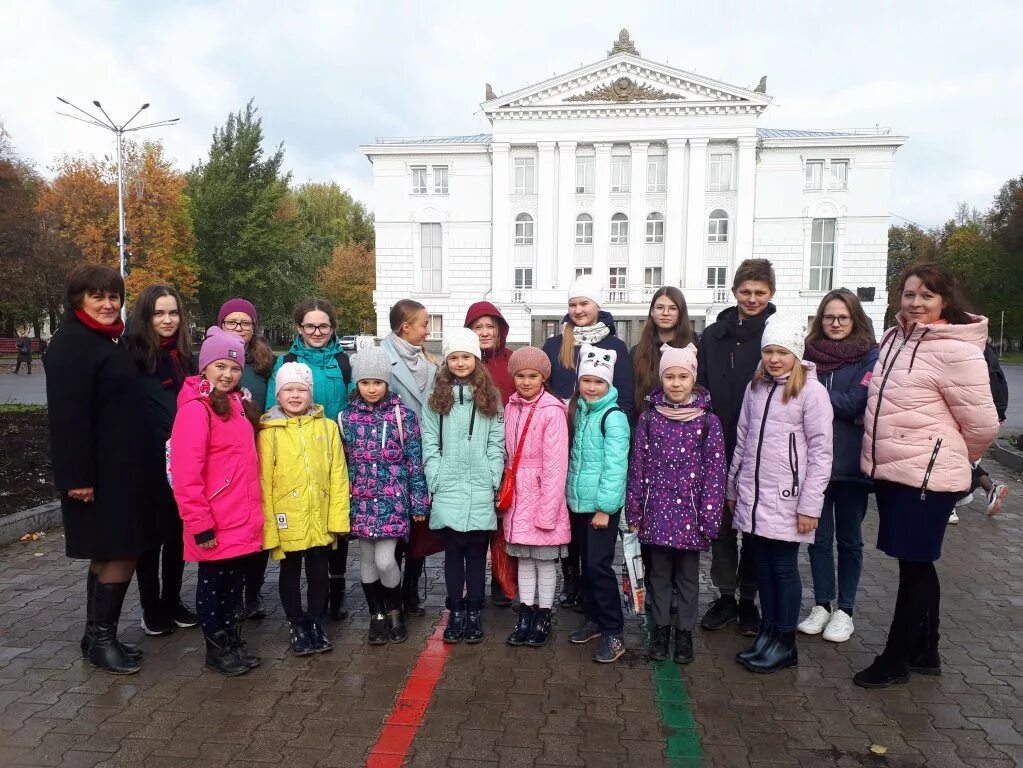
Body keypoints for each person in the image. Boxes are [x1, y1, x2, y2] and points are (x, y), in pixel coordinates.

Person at [854, 264, 999, 688]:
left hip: (927, 476)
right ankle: (927, 649)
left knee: (915, 565)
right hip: (894, 470)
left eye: (927, 296)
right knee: (915, 562)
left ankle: (896, 658)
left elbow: (984, 424)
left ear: (945, 302)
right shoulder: (895, 337)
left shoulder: (958, 350)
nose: (915, 303)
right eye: (909, 294)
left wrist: (953, 458)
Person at [44, 265, 154, 675]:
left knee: (110, 550)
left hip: (122, 470)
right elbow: (68, 417)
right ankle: (103, 639)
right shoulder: (73, 343)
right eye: (98, 296)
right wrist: (77, 478)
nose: (108, 304)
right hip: (99, 474)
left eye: (114, 296)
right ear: (79, 300)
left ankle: (94, 636)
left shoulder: (107, 339)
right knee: (120, 550)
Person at [728, 315, 833, 673]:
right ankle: (769, 632)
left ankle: (785, 641)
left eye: (782, 352)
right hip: (755, 498)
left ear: (796, 354)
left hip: (789, 499)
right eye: (769, 351)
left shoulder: (811, 392)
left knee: (784, 568)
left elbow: (821, 454)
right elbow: (743, 441)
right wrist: (733, 488)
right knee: (763, 568)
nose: (774, 359)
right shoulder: (755, 387)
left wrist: (810, 505)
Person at [169, 327, 264, 676]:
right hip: (214, 519)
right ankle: (216, 648)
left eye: (235, 368)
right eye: (220, 366)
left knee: (232, 584)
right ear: (205, 367)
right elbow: (186, 473)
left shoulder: (239, 404)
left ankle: (231, 640)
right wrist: (198, 522)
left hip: (240, 516)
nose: (227, 374)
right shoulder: (197, 410)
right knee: (212, 585)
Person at [627, 344, 726, 664]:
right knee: (658, 576)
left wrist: (710, 517)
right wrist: (635, 509)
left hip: (691, 516)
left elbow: (715, 473)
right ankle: (661, 631)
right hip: (656, 512)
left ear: (693, 379)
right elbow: (638, 466)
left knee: (686, 578)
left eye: (683, 376)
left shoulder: (708, 422)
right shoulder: (649, 419)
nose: (676, 383)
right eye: (669, 376)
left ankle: (684, 633)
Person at [542, 274, 634, 612]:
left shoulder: (615, 347)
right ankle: (571, 580)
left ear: (598, 305)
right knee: (568, 517)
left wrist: (604, 427)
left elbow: (623, 395)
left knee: (590, 520)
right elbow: (545, 390)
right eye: (573, 304)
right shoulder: (555, 345)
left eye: (585, 303)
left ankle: (594, 593)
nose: (579, 310)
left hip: (595, 440)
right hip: (561, 440)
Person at [697, 258, 778, 636]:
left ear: (770, 294)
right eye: (745, 292)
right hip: (719, 444)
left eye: (760, 292)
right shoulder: (714, 336)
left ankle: (750, 600)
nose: (752, 299)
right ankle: (726, 595)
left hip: (763, 448)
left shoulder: (776, 335)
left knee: (757, 528)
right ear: (734, 292)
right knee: (724, 528)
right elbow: (702, 386)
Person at [797, 289, 879, 643]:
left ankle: (846, 609)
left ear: (854, 319)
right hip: (815, 465)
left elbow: (858, 401)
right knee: (817, 538)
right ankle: (822, 604)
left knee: (849, 540)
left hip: (851, 465)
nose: (835, 323)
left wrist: (815, 397)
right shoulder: (807, 355)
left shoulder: (869, 357)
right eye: (829, 317)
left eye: (842, 317)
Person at [267, 299, 354, 623]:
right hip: (293, 456)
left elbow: (353, 402)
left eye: (323, 326)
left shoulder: (343, 362)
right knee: (299, 535)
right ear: (299, 328)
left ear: (332, 328)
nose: (317, 332)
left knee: (335, 527)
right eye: (310, 326)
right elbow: (270, 412)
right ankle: (299, 608)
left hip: (333, 450)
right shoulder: (287, 361)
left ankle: (336, 593)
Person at [340, 347, 430, 646]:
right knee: (366, 560)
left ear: (387, 383)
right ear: (357, 383)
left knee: (384, 559)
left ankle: (395, 609)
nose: (371, 388)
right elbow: (341, 465)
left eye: (377, 382)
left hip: (393, 502)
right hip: (361, 501)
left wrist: (418, 502)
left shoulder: (403, 417)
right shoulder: (346, 418)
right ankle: (376, 614)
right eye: (365, 382)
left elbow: (414, 462)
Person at [259, 361, 350, 656]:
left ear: (311, 394)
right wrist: (270, 528)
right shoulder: (268, 432)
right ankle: (296, 624)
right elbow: (264, 482)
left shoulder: (328, 428)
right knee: (289, 572)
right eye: (288, 390)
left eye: (301, 389)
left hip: (320, 517)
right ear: (278, 394)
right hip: (288, 519)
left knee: (319, 574)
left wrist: (337, 519)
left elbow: (338, 474)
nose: (295, 395)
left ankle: (315, 622)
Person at [124, 284, 199, 637]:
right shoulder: (131, 356)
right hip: (145, 459)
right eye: (159, 313)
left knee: (177, 534)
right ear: (146, 317)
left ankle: (172, 599)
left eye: (173, 313)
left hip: (181, 460)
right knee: (151, 537)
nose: (167, 320)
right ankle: (151, 606)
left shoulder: (185, 357)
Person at [421, 328, 505, 644]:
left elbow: (497, 440)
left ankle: (474, 611)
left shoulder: (489, 397)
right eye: (454, 357)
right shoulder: (437, 398)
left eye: (466, 357)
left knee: (475, 553)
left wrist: (492, 475)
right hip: (448, 486)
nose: (459, 362)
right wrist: (436, 475)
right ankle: (455, 610)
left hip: (480, 484)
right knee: (453, 553)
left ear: (476, 359)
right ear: (446, 360)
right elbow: (430, 440)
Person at [566, 345, 631, 664]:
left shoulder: (613, 417)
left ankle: (613, 631)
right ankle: (593, 618)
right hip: (579, 503)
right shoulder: (582, 411)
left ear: (609, 385)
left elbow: (616, 466)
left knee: (598, 567)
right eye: (586, 380)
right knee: (585, 566)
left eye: (599, 382)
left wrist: (605, 508)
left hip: (600, 507)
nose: (591, 387)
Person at [501, 347, 570, 648]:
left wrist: (547, 512)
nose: (526, 382)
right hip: (518, 498)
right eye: (520, 375)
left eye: (533, 376)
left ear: (543, 377)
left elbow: (556, 466)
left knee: (544, 562)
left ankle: (544, 614)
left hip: (543, 496)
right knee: (524, 560)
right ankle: (525, 612)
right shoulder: (510, 407)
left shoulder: (552, 410)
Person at [217, 298, 277, 621]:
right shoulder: (212, 360)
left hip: (259, 450)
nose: (239, 328)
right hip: (225, 458)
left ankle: (251, 594)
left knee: (259, 525)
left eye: (245, 323)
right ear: (221, 324)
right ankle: (230, 592)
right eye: (232, 322)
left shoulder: (265, 363)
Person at [381, 300, 438, 617]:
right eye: (424, 324)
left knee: (419, 526)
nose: (427, 330)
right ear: (406, 327)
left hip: (422, 455)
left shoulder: (428, 363)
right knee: (395, 529)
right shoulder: (380, 359)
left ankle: (411, 589)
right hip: (390, 457)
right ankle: (393, 595)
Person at [465, 300, 517, 609]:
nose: (484, 333)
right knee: (475, 520)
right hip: (471, 454)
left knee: (502, 522)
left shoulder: (512, 361)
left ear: (500, 330)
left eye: (489, 326)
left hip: (507, 451)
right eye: (477, 327)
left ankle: (501, 580)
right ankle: (473, 582)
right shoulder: (463, 362)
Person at [950, 340, 1010, 522]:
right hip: (991, 413)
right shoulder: (985, 350)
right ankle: (990, 488)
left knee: (954, 457)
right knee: (964, 457)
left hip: (971, 414)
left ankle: (949, 505)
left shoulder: (963, 349)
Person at [631, 287, 694, 413]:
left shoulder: (694, 349)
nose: (665, 313)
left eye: (672, 308)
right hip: (645, 424)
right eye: (660, 307)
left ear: (681, 312)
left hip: (685, 424)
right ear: (652, 312)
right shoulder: (637, 352)